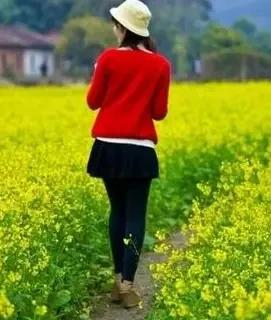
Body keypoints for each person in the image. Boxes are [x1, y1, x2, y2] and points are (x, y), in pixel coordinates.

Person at [86, 0, 171, 309]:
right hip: (139, 150)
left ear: (122, 28)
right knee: (135, 215)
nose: (114, 29)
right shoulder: (161, 64)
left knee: (117, 212)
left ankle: (117, 277)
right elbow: (159, 112)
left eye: (115, 24)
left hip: (107, 146)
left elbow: (93, 102)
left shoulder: (107, 59)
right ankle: (127, 285)